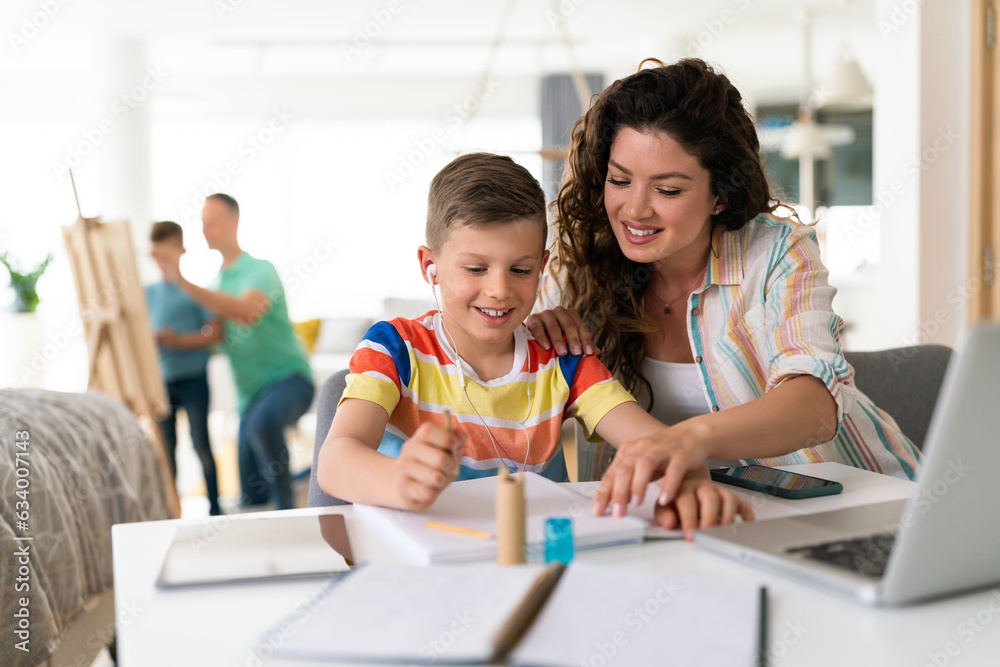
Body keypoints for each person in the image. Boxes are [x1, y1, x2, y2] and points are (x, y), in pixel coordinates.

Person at [526, 58, 922, 516]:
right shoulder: (578, 269)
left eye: (668, 190)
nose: (634, 209)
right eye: (619, 180)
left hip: (845, 504)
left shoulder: (776, 252)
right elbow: (494, 375)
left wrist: (686, 439)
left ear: (721, 194)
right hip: (675, 517)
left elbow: (815, 404)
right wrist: (531, 333)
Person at [317, 152, 753, 538]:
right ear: (430, 266)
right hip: (423, 568)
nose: (499, 290)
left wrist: (689, 480)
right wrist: (400, 480)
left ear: (543, 267)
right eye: (475, 268)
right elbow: (336, 462)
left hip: (538, 565)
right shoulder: (393, 348)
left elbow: (651, 444)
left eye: (521, 271)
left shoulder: (562, 359)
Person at [158, 194, 314, 510]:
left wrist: (182, 281)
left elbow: (245, 311)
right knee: (251, 495)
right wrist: (173, 341)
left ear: (235, 222)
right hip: (250, 400)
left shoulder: (260, 270)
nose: (205, 229)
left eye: (212, 222)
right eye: (202, 223)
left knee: (263, 425)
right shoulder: (216, 285)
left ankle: (290, 513)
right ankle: (307, 477)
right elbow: (212, 339)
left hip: (290, 381)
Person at [146, 220, 223, 516]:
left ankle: (215, 509)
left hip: (194, 379)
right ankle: (172, 511)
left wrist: (178, 340)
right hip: (161, 382)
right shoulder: (147, 293)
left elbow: (214, 334)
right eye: (157, 254)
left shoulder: (196, 292)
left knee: (201, 443)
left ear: (182, 251)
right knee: (167, 451)